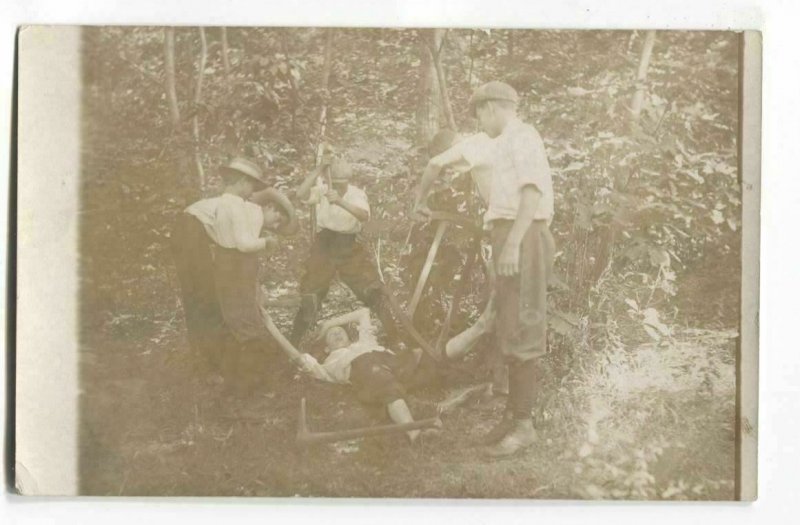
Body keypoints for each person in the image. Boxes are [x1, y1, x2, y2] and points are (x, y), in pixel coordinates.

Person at [467, 81, 556, 457]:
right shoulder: (505, 142)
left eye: (480, 115)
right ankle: (511, 415)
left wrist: (515, 243)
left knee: (523, 328)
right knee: (508, 325)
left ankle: (524, 426)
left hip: (526, 235)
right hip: (509, 233)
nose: (481, 123)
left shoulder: (523, 136)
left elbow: (532, 193)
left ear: (490, 107)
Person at [172, 155, 299, 393]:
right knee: (204, 299)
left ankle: (215, 364)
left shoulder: (239, 205)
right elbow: (243, 245)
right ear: (242, 181)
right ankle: (213, 366)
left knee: (211, 300)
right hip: (190, 231)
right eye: (277, 218)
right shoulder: (244, 207)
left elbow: (240, 256)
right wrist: (265, 242)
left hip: (196, 233)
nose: (275, 225)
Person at [412, 129, 507, 395]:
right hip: (505, 230)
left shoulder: (474, 145)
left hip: (513, 231)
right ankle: (500, 381)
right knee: (499, 306)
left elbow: (435, 164)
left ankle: (445, 355)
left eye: (452, 167)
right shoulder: (492, 145)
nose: (452, 172)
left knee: (495, 312)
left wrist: (420, 201)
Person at [290, 156, 398, 346]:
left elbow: (364, 216)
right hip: (324, 244)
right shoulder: (323, 189)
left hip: (347, 245)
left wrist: (339, 201)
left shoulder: (356, 194)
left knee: (372, 290)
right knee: (311, 295)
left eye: (342, 184)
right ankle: (295, 344)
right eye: (336, 183)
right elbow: (300, 194)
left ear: (348, 181)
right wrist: (319, 169)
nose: (338, 187)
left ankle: (396, 339)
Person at [297, 307, 436, 443]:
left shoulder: (365, 342)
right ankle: (414, 433)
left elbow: (363, 313)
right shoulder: (330, 363)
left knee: (427, 355)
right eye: (331, 334)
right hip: (369, 372)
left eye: (340, 331)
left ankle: (453, 391)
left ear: (348, 338)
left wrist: (329, 324)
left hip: (393, 364)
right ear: (326, 348)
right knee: (388, 388)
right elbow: (304, 362)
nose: (337, 333)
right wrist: (298, 355)